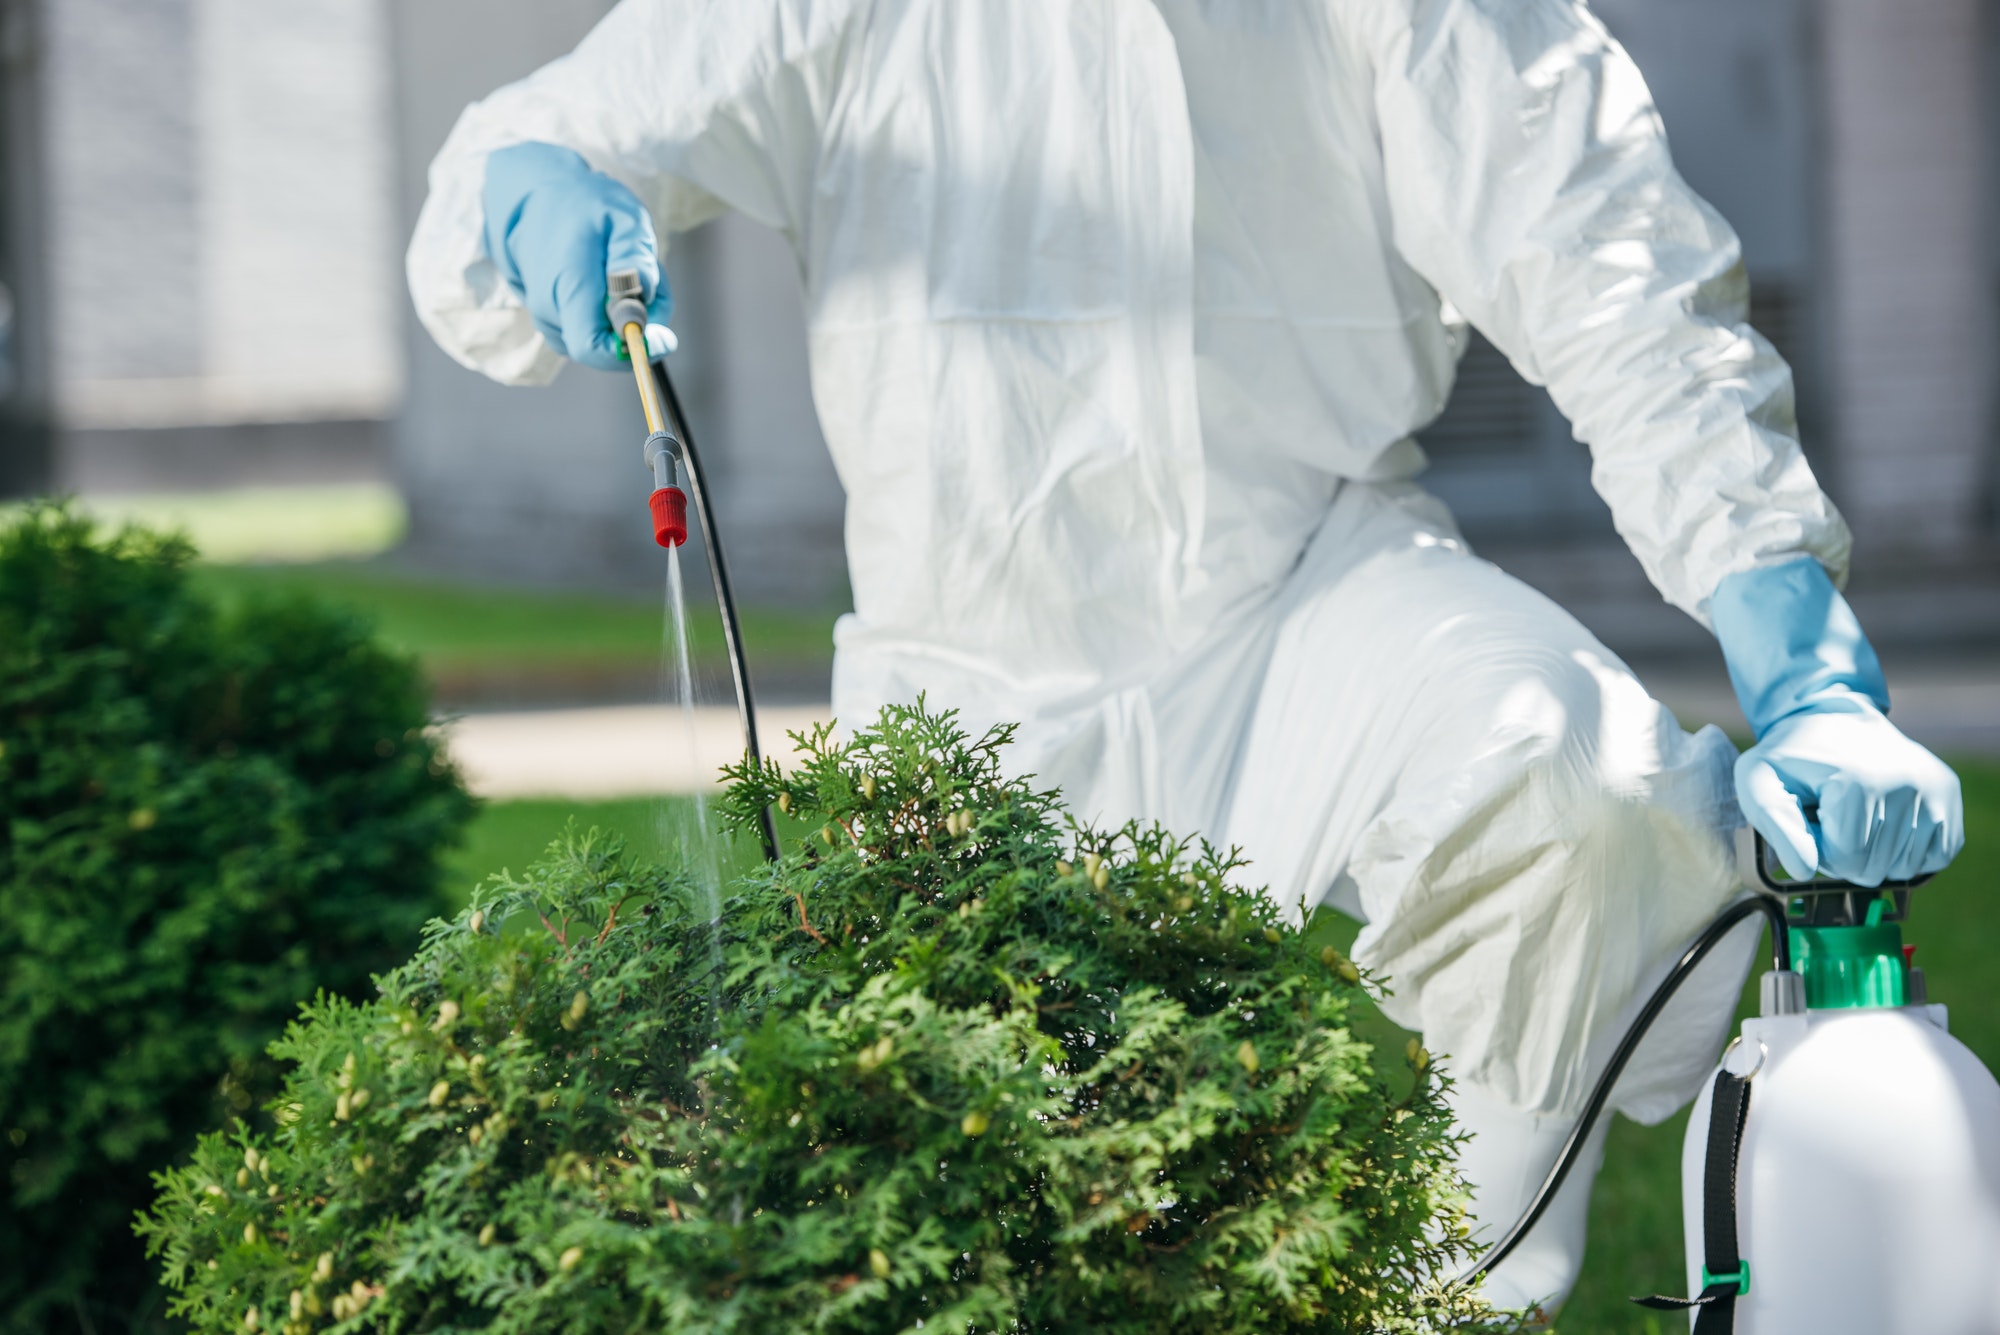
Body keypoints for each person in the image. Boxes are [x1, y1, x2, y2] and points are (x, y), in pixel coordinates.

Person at [407, 0, 1963, 1316]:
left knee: (1587, 805)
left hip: (1318, 584)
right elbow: (536, 141)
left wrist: (1803, 660)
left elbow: (1607, 261)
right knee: (971, 1219)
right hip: (974, 675)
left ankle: (1455, 1304)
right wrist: (529, 188)